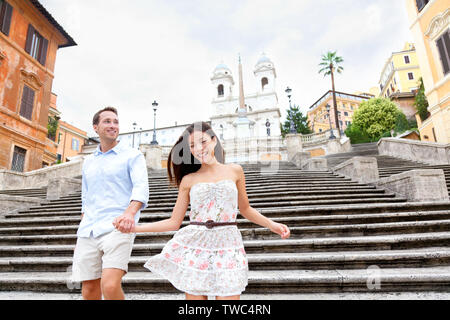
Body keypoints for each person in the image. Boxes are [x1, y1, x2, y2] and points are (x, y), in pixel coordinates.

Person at [115, 121, 290, 300]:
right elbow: (174, 222)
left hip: (228, 245)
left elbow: (245, 209)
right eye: (192, 145)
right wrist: (134, 228)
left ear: (214, 140)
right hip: (196, 246)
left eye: (203, 142)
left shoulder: (235, 171)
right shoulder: (189, 179)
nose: (198, 148)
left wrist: (272, 224)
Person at [71, 106, 149, 300]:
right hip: (89, 229)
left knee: (110, 285)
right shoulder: (88, 161)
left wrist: (129, 213)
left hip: (118, 226)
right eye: (107, 121)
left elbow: (141, 188)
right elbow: (85, 198)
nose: (113, 125)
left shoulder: (133, 156)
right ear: (95, 127)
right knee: (89, 290)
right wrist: (82, 224)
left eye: (115, 122)